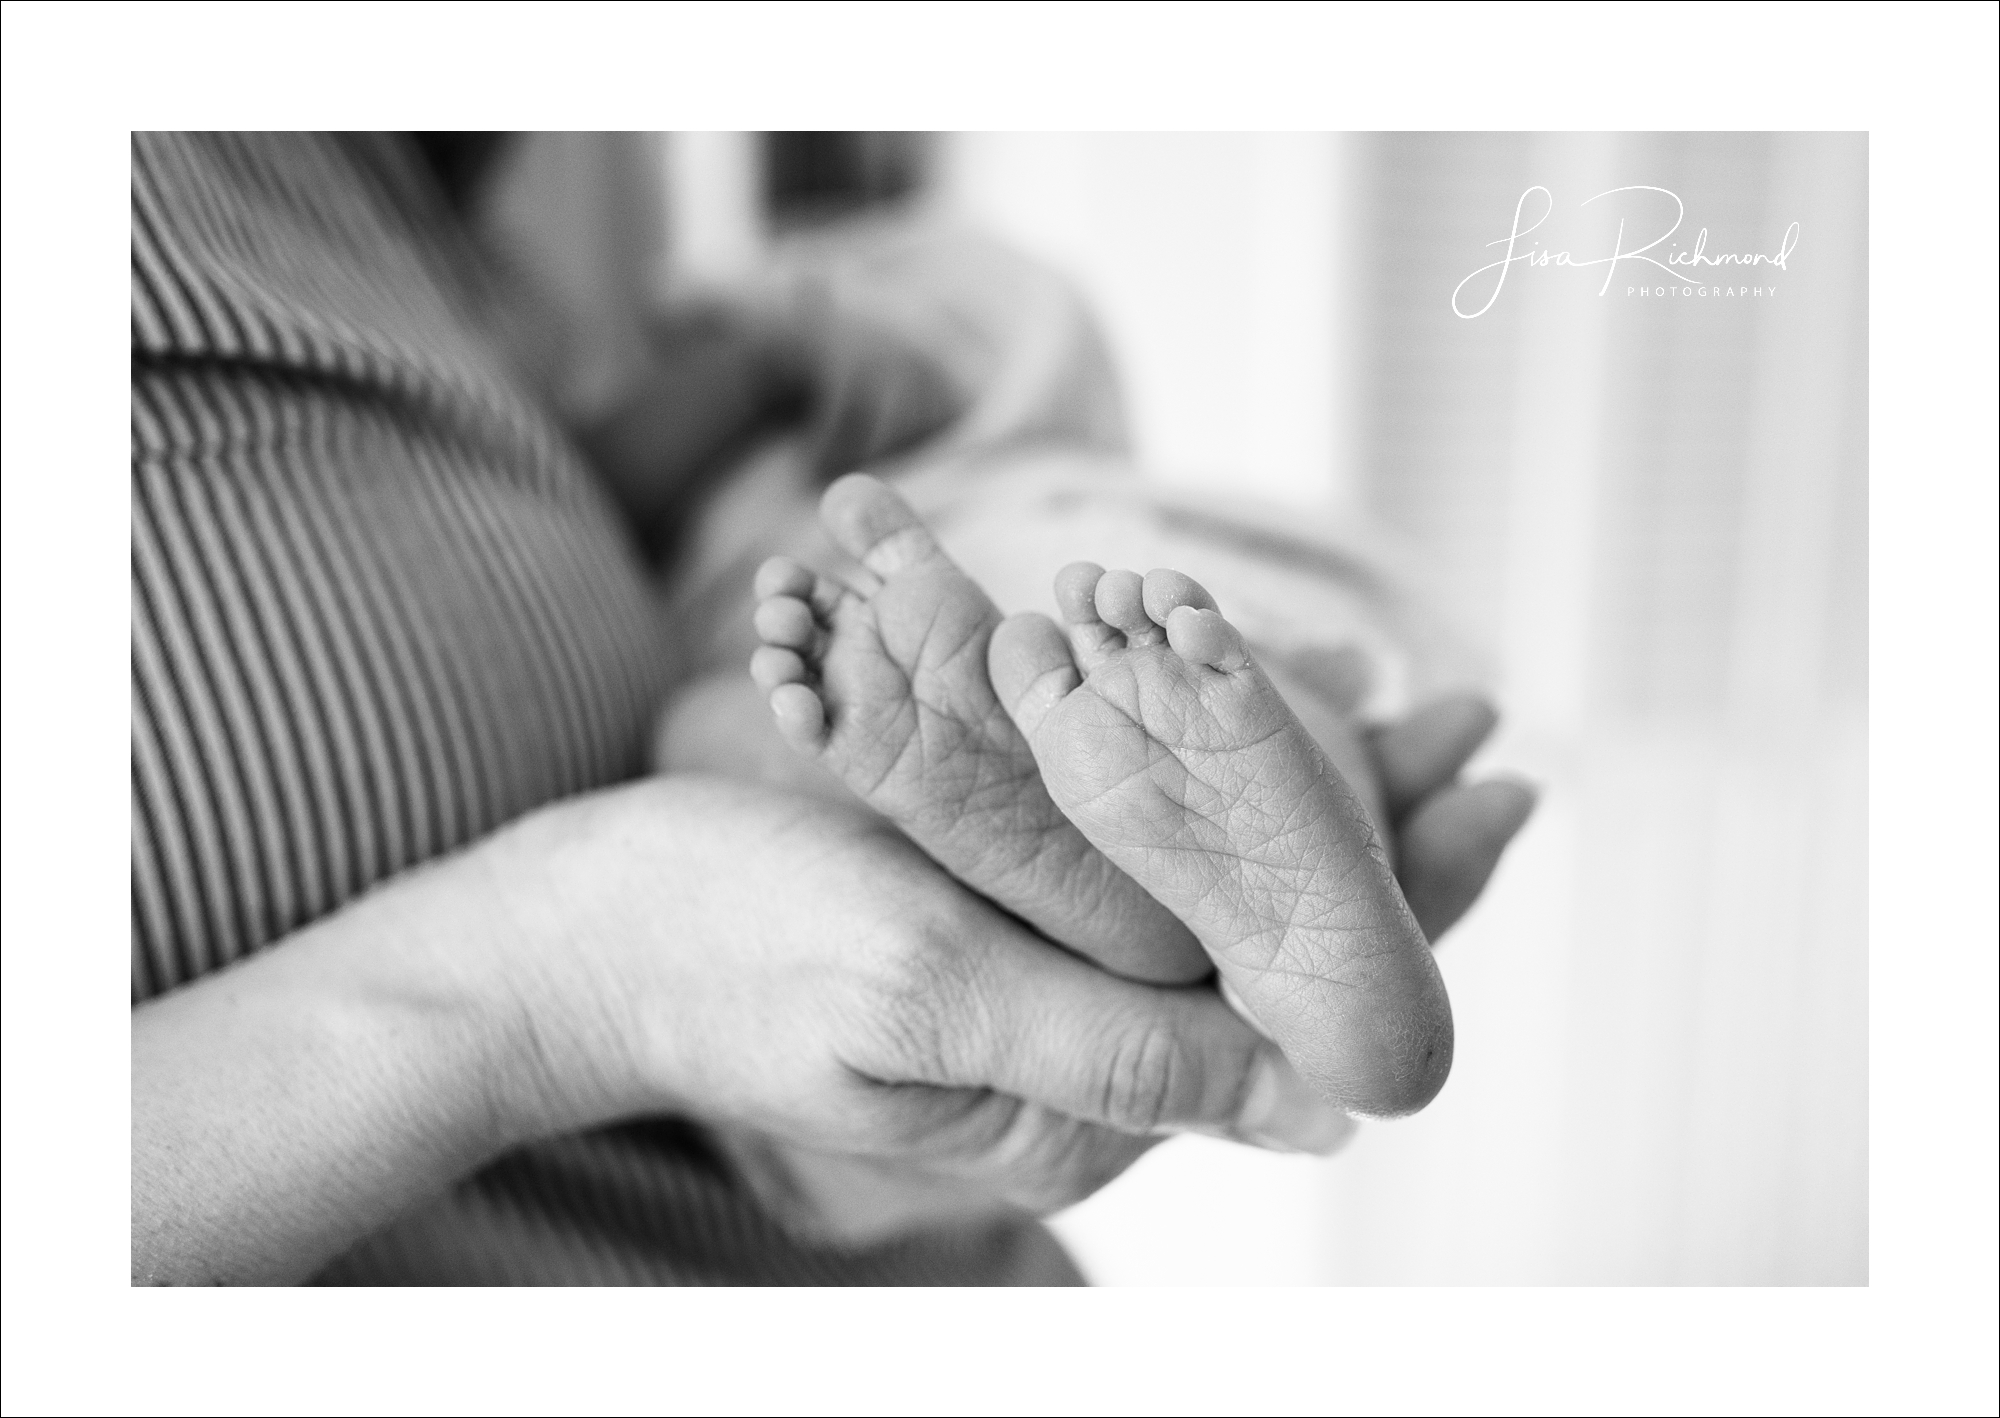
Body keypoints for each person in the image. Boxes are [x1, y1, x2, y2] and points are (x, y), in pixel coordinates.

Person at [131, 131, 1532, 1285]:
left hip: (757, 864)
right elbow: (615, 455)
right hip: (747, 909)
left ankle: (1157, 863)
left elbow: (605, 471)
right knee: (1144, 648)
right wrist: (757, 364)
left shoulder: (420, 233)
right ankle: (1239, 878)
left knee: (802, 724)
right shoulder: (668, 311)